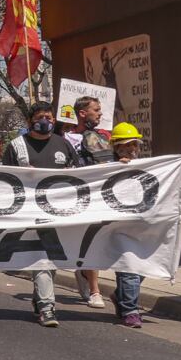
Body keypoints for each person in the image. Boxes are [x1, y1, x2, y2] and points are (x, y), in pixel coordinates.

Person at [0, 101, 80, 327]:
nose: (46, 122)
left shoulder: (63, 145)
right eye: (40, 118)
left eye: (50, 118)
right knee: (42, 258)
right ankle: (47, 307)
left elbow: (80, 174)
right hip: (28, 213)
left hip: (59, 212)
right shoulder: (17, 146)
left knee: (51, 259)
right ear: (30, 121)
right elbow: (3, 178)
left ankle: (39, 299)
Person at [66, 96, 112, 308]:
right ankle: (83, 271)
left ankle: (95, 290)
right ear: (82, 113)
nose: (100, 114)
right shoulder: (65, 138)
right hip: (71, 197)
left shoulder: (103, 137)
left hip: (96, 197)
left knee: (93, 239)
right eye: (96, 109)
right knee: (76, 242)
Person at [107, 122, 146, 328]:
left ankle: (120, 296)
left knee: (149, 263)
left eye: (135, 145)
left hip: (141, 228)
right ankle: (131, 311)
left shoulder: (146, 167)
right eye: (127, 145)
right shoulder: (106, 168)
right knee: (128, 267)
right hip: (118, 227)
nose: (132, 149)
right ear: (116, 148)